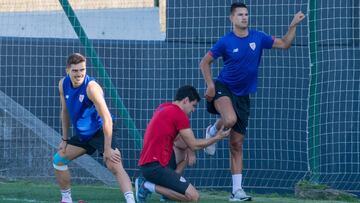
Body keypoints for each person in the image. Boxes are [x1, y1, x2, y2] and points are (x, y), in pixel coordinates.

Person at [199, 2, 305, 201]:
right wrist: (210, 85)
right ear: (232, 18)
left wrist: (293, 26)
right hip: (224, 88)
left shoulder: (258, 37)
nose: (244, 17)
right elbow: (205, 62)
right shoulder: (225, 42)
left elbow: (284, 44)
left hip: (243, 96)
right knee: (229, 120)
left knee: (237, 144)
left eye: (246, 14)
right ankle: (212, 131)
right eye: (240, 15)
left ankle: (236, 191)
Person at [52, 53, 135, 203]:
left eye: (82, 69)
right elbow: (64, 111)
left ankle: (131, 201)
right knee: (58, 160)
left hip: (100, 132)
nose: (79, 74)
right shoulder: (62, 84)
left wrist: (107, 148)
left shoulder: (92, 88)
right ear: (67, 70)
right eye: (75, 70)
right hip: (83, 135)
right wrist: (64, 139)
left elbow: (107, 119)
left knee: (114, 164)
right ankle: (66, 200)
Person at [135, 85, 231, 202]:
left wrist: (189, 151)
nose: (193, 110)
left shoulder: (163, 107)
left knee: (184, 155)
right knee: (193, 197)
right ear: (185, 100)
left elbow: (179, 140)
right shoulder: (179, 114)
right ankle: (147, 186)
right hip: (155, 167)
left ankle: (166, 192)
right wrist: (216, 138)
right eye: (193, 105)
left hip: (148, 164)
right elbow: (194, 144)